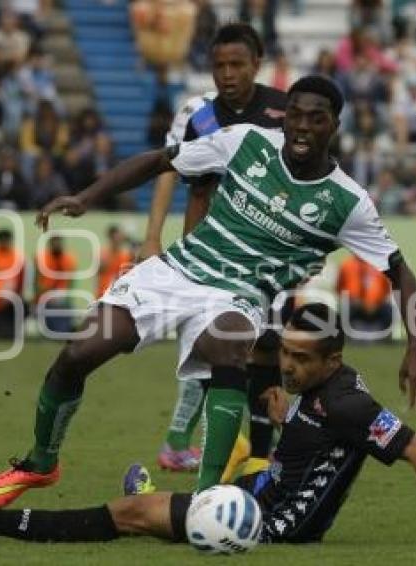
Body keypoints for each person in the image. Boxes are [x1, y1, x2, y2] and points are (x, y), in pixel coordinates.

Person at [0, 74, 416, 510]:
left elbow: (400, 272)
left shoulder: (347, 202)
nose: (301, 126)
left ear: (334, 125)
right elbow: (161, 161)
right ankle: (41, 462)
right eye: (295, 114)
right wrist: (86, 197)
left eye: (315, 118)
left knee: (227, 346)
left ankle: (207, 498)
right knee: (79, 353)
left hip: (240, 291)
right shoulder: (247, 142)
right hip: (177, 271)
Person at [0, 304, 416, 549]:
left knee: (127, 516)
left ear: (332, 362)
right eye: (286, 352)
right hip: (261, 492)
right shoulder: (320, 392)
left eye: (301, 360)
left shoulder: (351, 404)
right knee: (163, 504)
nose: (288, 366)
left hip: (273, 523)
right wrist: (289, 419)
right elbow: (317, 450)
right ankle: (159, 501)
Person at [139, 23, 291, 474]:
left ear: (256, 65)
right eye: (218, 65)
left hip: (269, 254)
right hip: (211, 253)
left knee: (265, 348)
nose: (226, 74)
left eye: (236, 64)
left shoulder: (286, 112)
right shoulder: (196, 113)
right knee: (213, 350)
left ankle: (260, 455)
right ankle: (204, 447)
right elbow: (171, 172)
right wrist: (154, 238)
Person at [96, 225, 133, 297]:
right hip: (103, 294)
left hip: (119, 296)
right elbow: (100, 269)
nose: (118, 239)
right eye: (116, 237)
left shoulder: (127, 255)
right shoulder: (103, 253)